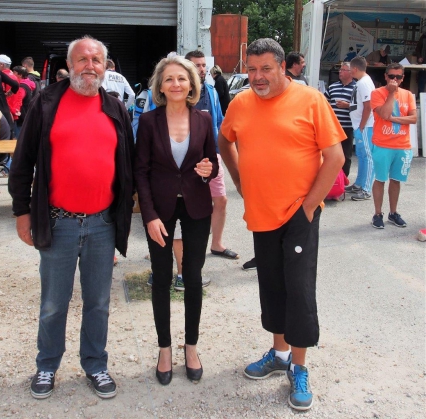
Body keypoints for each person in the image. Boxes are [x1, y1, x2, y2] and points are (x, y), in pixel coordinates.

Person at [218, 38, 345, 411]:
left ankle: (299, 367)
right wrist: (241, 182)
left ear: (281, 67)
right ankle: (279, 354)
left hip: (298, 214)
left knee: (299, 290)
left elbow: (334, 156)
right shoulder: (241, 102)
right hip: (261, 213)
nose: (257, 77)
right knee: (272, 286)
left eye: (265, 69)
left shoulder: (309, 100)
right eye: (252, 69)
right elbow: (226, 143)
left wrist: (308, 207)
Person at [8, 36, 134, 400]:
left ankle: (95, 364)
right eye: (82, 59)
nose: (89, 66)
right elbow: (22, 162)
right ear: (70, 64)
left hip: (102, 223)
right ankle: (47, 364)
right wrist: (21, 213)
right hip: (58, 221)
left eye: (96, 59)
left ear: (105, 66)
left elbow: (129, 164)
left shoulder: (115, 108)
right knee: (53, 302)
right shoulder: (46, 103)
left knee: (98, 302)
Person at [135, 54, 218, 386]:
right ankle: (165, 349)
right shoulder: (149, 121)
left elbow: (211, 159)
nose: (176, 84)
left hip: (197, 205)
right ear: (160, 85)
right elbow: (140, 171)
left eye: (182, 79)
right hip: (161, 210)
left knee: (193, 277)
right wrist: (149, 216)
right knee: (161, 279)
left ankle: (192, 347)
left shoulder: (202, 118)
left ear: (192, 84)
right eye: (169, 79)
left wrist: (208, 169)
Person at [185, 50, 238, 262]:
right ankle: (173, 245)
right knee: (183, 204)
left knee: (221, 200)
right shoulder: (179, 92)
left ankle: (216, 244)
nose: (202, 69)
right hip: (186, 159)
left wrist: (220, 148)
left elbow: (219, 122)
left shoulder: (211, 91)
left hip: (211, 156)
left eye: (203, 65)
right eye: (196, 65)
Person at [370, 64, 416, 229]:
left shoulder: (408, 94)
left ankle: (393, 212)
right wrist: (391, 93)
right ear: (385, 76)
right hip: (383, 144)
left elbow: (413, 118)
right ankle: (377, 213)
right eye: (391, 76)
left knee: (396, 180)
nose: (394, 80)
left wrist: (395, 119)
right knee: (380, 179)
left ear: (403, 78)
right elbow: (383, 114)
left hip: (402, 145)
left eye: (398, 77)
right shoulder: (377, 93)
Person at [347, 56, 375, 201]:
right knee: (362, 156)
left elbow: (368, 105)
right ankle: (359, 184)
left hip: (365, 126)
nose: (350, 72)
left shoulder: (364, 83)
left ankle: (366, 189)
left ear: (355, 69)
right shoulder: (362, 82)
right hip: (360, 125)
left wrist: (362, 125)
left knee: (367, 157)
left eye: (350, 70)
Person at [325, 62, 356, 177]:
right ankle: (330, 180)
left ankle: (343, 180)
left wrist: (347, 105)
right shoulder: (333, 87)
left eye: (343, 70)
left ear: (351, 72)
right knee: (329, 155)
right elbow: (324, 101)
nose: (340, 72)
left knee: (345, 155)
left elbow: (363, 107)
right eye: (340, 69)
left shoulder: (356, 88)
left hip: (347, 127)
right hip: (332, 127)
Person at [414, 29, 426, 94]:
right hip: (423, 62)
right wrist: (419, 57)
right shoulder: (423, 37)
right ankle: (420, 95)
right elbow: (418, 49)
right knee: (422, 79)